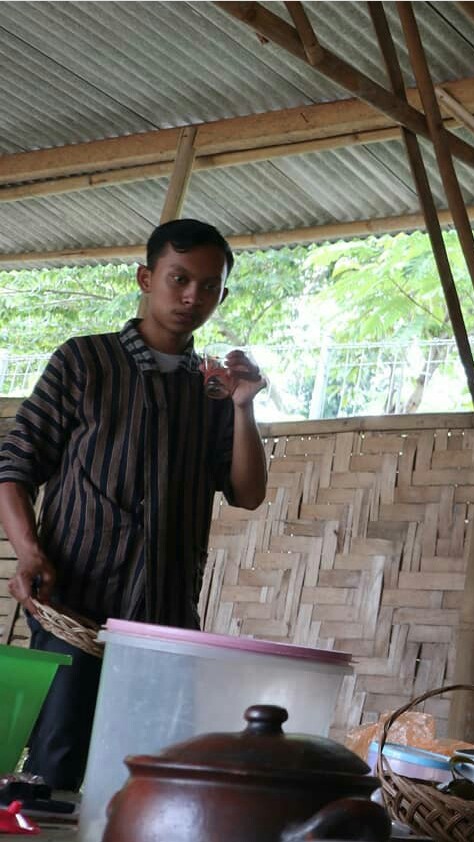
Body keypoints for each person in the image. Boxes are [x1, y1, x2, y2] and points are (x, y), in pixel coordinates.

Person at [0, 218, 268, 791]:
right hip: (72, 613)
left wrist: (244, 406)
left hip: (165, 624)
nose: (193, 296)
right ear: (146, 278)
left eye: (210, 286)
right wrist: (27, 554)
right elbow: (14, 468)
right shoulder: (83, 363)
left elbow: (246, 494)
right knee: (54, 775)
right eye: (179, 279)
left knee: (147, 784)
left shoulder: (213, 390)